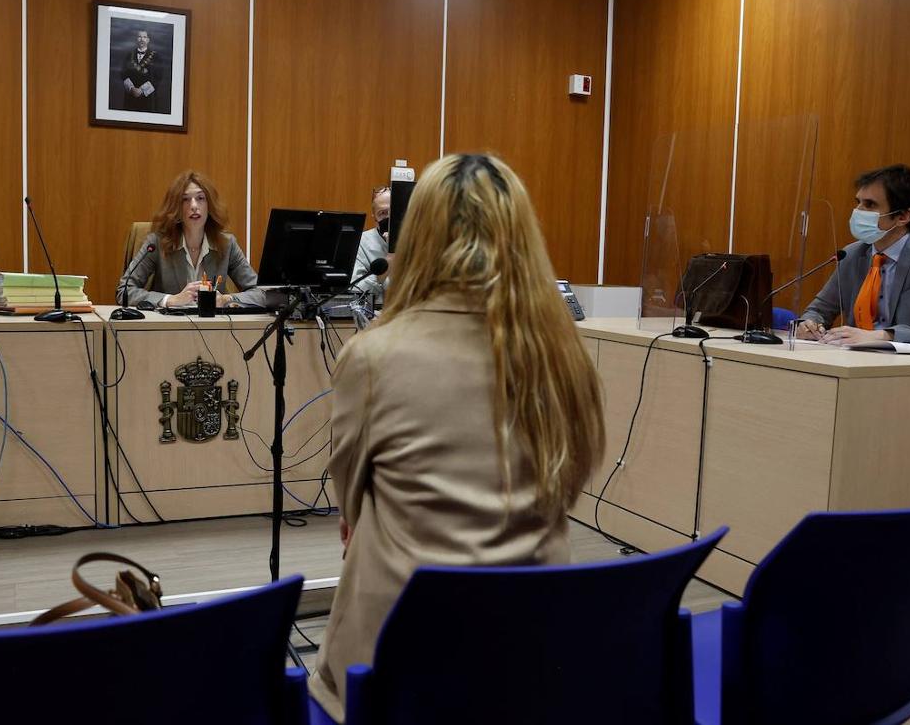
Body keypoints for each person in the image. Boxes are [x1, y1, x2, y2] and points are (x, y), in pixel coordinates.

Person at [308, 154, 606, 721]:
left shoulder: (373, 356)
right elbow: (567, 487)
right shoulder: (563, 355)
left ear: (416, 236)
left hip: (397, 669)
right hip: (532, 659)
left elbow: (351, 506)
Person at [796, 164, 910, 350]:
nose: (858, 211)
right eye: (858, 202)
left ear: (903, 216)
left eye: (870, 204)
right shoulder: (852, 254)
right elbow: (818, 311)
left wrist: (885, 336)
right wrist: (810, 324)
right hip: (852, 362)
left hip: (908, 371)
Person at [116, 170, 263, 308]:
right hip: (169, 330)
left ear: (209, 205)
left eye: (200, 198)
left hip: (215, 330)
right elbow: (124, 291)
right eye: (185, 200)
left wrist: (226, 299)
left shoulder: (226, 244)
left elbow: (261, 293)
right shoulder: (157, 243)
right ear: (176, 209)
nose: (194, 206)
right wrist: (169, 299)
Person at [351, 184, 390, 299]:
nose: (389, 218)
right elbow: (355, 293)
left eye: (393, 212)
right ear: (374, 215)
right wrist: (389, 261)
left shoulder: (420, 240)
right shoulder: (361, 243)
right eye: (383, 213)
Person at [118, 29, 162, 112]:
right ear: (136, 39)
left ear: (148, 40)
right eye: (139, 37)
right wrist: (131, 88)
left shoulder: (156, 57)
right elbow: (123, 74)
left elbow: (158, 77)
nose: (142, 39)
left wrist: (141, 90)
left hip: (148, 98)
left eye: (144, 37)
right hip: (130, 97)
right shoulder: (129, 55)